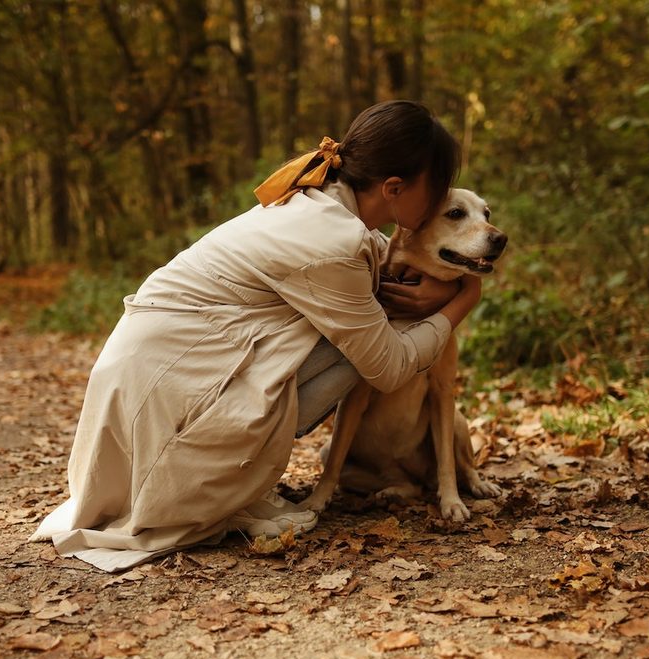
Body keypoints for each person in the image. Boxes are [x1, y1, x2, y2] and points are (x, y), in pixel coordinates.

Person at [30, 101, 482, 572]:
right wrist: (463, 298)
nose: (437, 205)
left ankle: (235, 479)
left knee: (361, 327)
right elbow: (387, 368)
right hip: (167, 396)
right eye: (437, 194)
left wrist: (432, 283)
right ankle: (216, 487)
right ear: (393, 188)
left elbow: (379, 265)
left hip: (149, 379)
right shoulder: (334, 241)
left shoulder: (318, 203)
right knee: (369, 345)